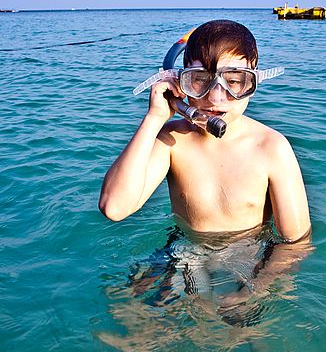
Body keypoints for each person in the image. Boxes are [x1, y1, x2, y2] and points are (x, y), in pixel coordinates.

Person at [99, 19, 311, 306]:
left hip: (248, 259)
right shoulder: (172, 139)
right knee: (128, 318)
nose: (216, 97)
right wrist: (154, 118)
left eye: (235, 81)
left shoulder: (271, 148)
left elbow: (296, 243)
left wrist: (255, 290)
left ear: (253, 82)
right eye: (200, 80)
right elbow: (114, 208)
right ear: (181, 83)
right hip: (184, 252)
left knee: (242, 336)